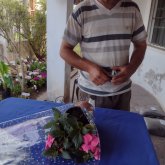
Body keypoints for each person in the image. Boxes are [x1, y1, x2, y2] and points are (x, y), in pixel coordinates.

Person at [60, 0, 147, 111]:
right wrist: (90, 68)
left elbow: (141, 45)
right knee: (90, 127)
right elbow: (64, 50)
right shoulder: (81, 10)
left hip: (122, 91)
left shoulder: (132, 8)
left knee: (120, 127)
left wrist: (131, 69)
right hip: (90, 91)